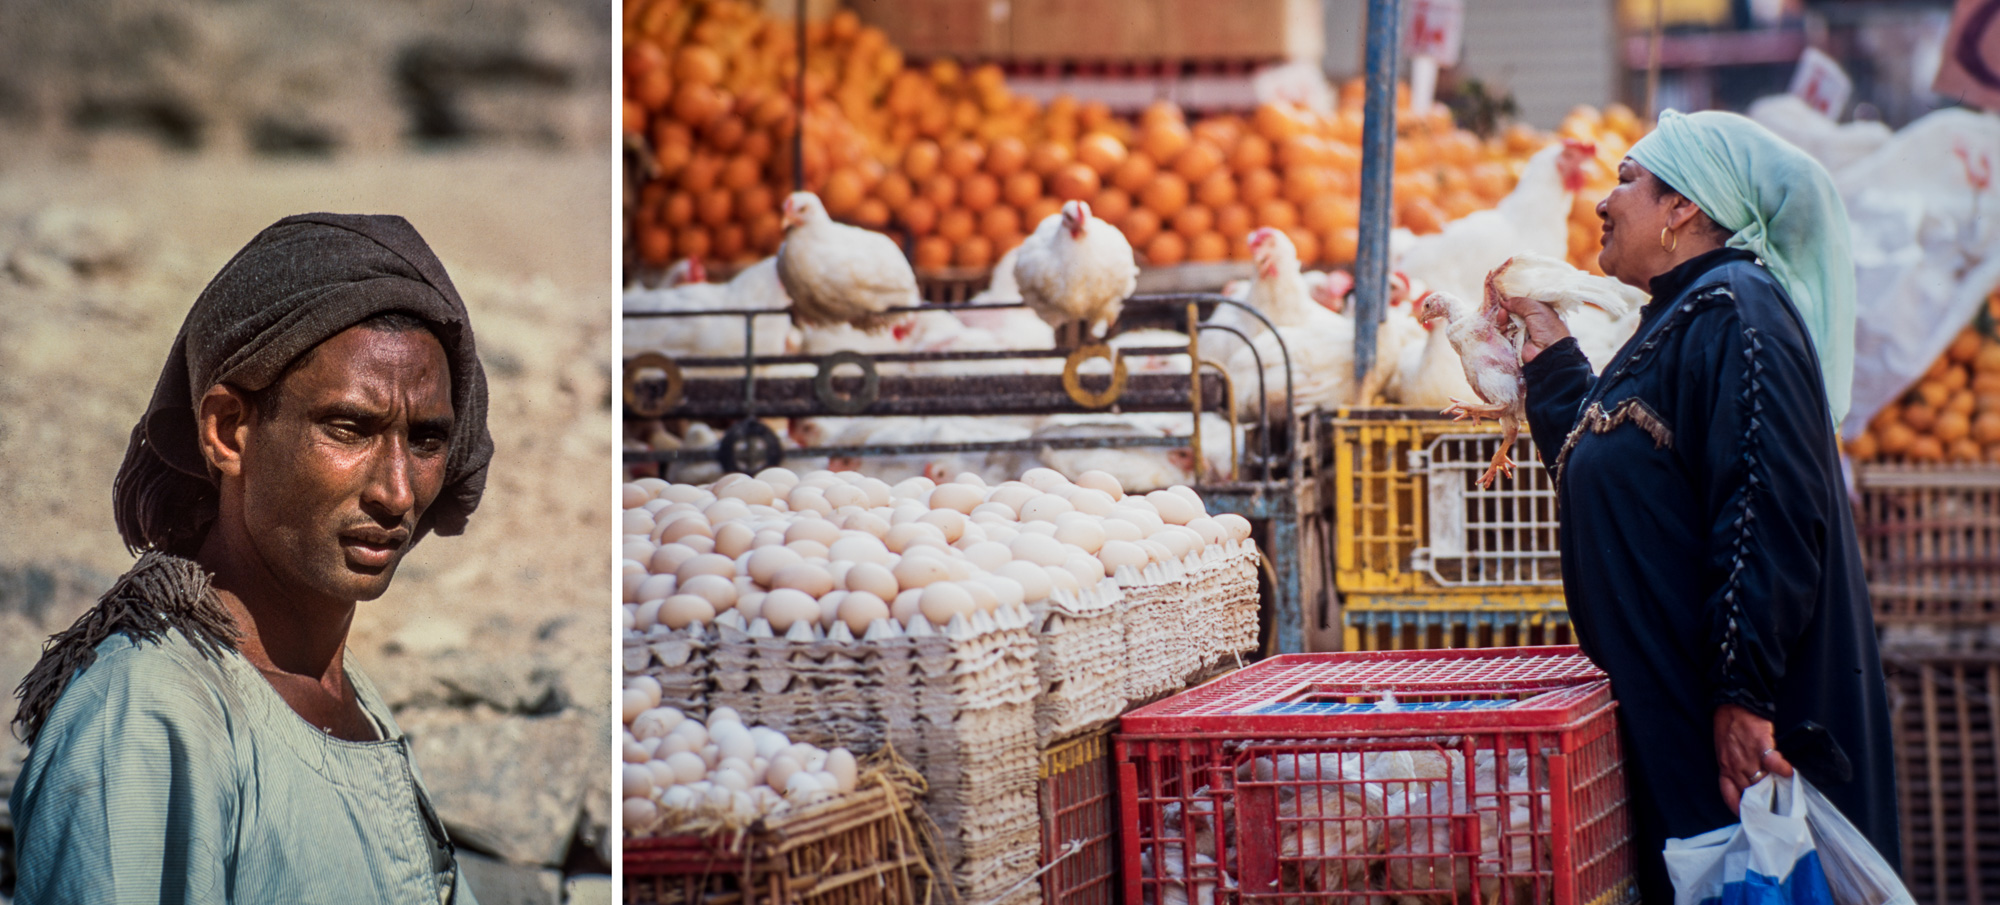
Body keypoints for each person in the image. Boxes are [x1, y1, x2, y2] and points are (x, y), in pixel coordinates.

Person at [9, 213, 494, 904]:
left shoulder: (340, 689)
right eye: (348, 427)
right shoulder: (149, 714)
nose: (396, 490)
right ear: (229, 430)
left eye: (426, 439)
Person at [1503, 110, 1897, 901]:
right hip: (1681, 720)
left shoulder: (1736, 312)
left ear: (1682, 208)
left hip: (1739, 738)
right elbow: (1622, 473)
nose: (1602, 203)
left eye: (1624, 180)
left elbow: (1765, 506)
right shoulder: (1682, 315)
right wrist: (1548, 359)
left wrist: (1742, 696)